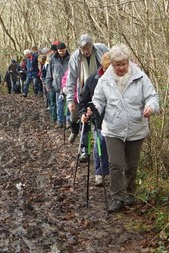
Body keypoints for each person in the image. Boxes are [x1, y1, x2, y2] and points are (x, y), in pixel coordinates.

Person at [89, 43, 159, 213]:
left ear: (128, 62)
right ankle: (117, 197)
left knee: (131, 165)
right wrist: (93, 109)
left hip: (136, 128)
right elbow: (98, 100)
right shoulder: (105, 80)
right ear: (111, 64)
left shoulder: (141, 77)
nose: (120, 68)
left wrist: (151, 108)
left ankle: (129, 192)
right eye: (117, 65)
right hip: (113, 128)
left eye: (123, 64)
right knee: (115, 164)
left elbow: (152, 97)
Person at [64, 34, 109, 158]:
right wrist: (70, 100)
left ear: (92, 46)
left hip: (101, 91)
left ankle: (101, 149)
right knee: (84, 119)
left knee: (99, 121)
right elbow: (71, 79)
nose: (86, 51)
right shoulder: (75, 57)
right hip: (84, 91)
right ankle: (85, 149)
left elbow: (110, 63)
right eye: (83, 49)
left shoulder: (102, 49)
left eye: (88, 49)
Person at [78, 52, 111, 186]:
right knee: (100, 144)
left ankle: (118, 174)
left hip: (118, 120)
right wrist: (83, 113)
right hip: (99, 119)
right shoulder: (93, 79)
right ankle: (100, 173)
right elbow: (83, 99)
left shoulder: (120, 79)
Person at [45, 42, 71, 129]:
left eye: (63, 51)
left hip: (68, 85)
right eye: (60, 51)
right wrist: (48, 85)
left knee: (68, 104)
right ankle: (60, 121)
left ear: (65, 49)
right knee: (59, 105)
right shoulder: (53, 59)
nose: (61, 52)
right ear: (57, 51)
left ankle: (68, 121)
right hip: (57, 86)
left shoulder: (70, 59)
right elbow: (49, 73)